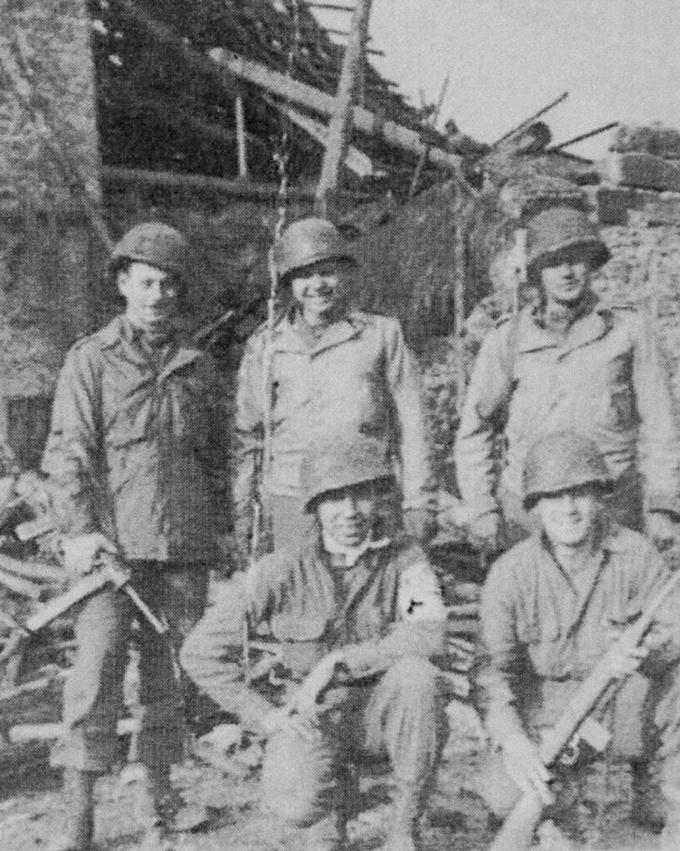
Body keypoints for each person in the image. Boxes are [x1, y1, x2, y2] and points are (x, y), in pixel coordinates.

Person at [42, 222, 228, 850]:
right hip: (111, 555)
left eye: (170, 285)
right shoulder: (89, 360)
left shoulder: (199, 366)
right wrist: (81, 532)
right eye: (147, 282)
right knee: (94, 676)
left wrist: (220, 537)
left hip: (182, 552)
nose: (158, 295)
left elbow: (218, 459)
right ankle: (80, 818)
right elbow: (67, 452)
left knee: (169, 680)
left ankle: (160, 803)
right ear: (123, 283)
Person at [181, 437, 447, 851]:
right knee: (293, 802)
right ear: (315, 505)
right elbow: (200, 652)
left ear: (378, 498)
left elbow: (427, 634)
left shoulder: (406, 560)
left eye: (361, 494)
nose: (350, 511)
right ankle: (332, 806)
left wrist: (339, 662)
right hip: (314, 719)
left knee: (419, 677)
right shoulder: (281, 569)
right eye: (334, 498)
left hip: (381, 713)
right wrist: (265, 716)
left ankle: (404, 826)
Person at [477, 431, 680, 850]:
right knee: (504, 795)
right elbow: (490, 674)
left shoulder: (635, 553)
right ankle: (558, 812)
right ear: (535, 506)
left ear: (600, 498)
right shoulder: (510, 574)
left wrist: (651, 648)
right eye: (554, 496)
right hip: (549, 718)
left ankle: (671, 808)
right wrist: (515, 742)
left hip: (623, 706)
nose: (568, 509)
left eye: (580, 494)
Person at [455, 205, 680, 552]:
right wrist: (481, 506)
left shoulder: (628, 331)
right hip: (529, 511)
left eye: (577, 259)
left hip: (610, 505)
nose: (567, 272)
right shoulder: (508, 339)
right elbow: (476, 429)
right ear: (537, 272)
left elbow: (659, 424)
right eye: (553, 262)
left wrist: (661, 504)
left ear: (592, 265)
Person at [234, 216, 433, 557]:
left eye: (327, 272)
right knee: (300, 600)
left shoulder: (381, 336)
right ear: (289, 283)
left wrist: (419, 500)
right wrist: (244, 510)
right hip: (292, 500)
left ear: (345, 274)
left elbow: (413, 425)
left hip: (365, 498)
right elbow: (250, 436)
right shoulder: (266, 345)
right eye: (304, 275)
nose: (318, 285)